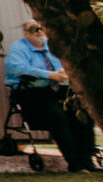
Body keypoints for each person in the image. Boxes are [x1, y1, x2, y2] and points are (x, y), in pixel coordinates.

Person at [6, 18, 95, 172]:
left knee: (82, 112)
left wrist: (65, 73)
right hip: (31, 92)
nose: (39, 31)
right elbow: (18, 68)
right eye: (34, 29)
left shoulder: (52, 47)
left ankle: (87, 160)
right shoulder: (19, 48)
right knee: (56, 115)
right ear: (26, 33)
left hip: (58, 91)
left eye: (41, 28)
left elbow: (66, 64)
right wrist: (49, 75)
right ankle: (74, 162)